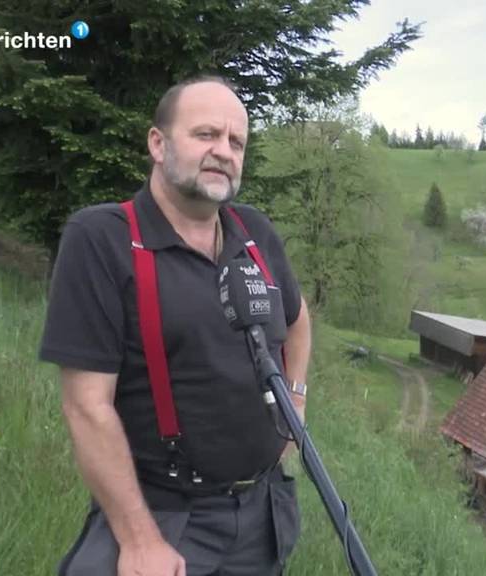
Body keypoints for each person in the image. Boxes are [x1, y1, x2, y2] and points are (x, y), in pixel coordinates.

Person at [39, 76, 311, 576]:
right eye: (206, 134)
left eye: (236, 142)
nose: (224, 152)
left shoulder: (255, 233)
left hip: (264, 511)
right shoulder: (102, 238)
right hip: (167, 516)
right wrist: (141, 542)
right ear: (158, 144)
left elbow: (296, 319)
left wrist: (295, 397)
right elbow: (86, 405)